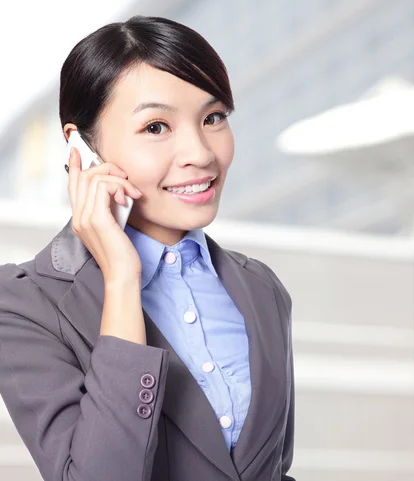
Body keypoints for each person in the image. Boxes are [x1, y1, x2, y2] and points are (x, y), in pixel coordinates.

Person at [0, 15, 295, 481]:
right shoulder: (23, 303)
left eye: (213, 118)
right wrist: (120, 278)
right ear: (81, 150)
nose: (200, 152)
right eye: (156, 127)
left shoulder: (260, 288)